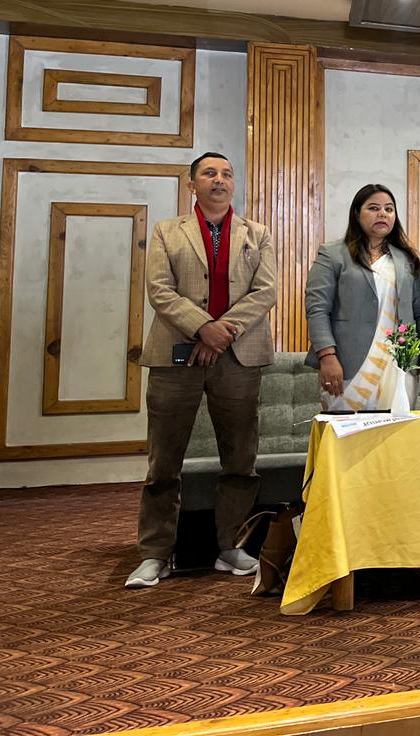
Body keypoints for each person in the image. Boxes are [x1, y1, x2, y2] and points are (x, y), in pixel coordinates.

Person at [126, 152, 277, 589]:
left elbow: (266, 291)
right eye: (209, 173)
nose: (219, 180)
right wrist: (202, 328)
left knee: (240, 459)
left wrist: (221, 332)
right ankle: (155, 553)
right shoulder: (166, 231)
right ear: (192, 184)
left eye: (227, 174)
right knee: (164, 462)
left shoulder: (257, 234)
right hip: (177, 354)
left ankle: (232, 546)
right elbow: (160, 290)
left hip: (238, 355)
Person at [305, 184, 420, 410]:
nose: (382, 214)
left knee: (396, 428)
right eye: (374, 208)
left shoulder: (406, 260)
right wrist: (327, 355)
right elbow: (317, 309)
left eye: (389, 209)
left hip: (398, 364)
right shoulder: (333, 254)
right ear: (357, 213)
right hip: (347, 364)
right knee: (347, 430)